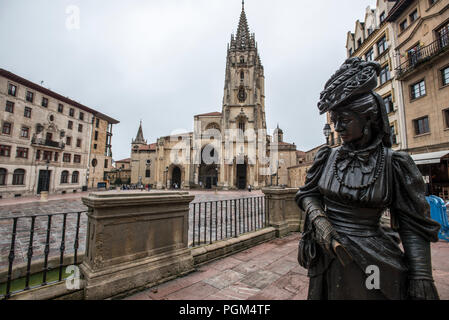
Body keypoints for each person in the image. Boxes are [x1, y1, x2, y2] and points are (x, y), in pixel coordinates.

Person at [296, 57, 440, 300]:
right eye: (335, 121)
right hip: (327, 257)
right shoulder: (327, 157)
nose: (338, 128)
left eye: (345, 120)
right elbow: (307, 193)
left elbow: (412, 224)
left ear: (369, 119)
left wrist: (421, 276)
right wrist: (320, 219)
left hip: (373, 258)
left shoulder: (394, 163)